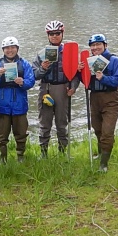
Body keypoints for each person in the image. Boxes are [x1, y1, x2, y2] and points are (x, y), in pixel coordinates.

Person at [32, 20, 80, 157]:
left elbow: (76, 74)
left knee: (61, 123)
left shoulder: (70, 52)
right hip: (45, 89)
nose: (54, 36)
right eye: (51, 34)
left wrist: (74, 87)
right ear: (48, 36)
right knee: (44, 123)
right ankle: (43, 153)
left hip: (63, 89)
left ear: (62, 33)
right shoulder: (41, 54)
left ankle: (63, 153)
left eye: (57, 33)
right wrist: (43, 68)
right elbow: (34, 75)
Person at [0, 36, 35, 164]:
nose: (10, 50)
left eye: (13, 47)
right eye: (7, 48)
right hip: (2, 104)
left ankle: (20, 156)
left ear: (17, 49)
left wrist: (22, 82)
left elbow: (31, 81)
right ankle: (2, 159)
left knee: (21, 133)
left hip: (20, 104)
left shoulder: (24, 64)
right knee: (2, 134)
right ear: (3, 50)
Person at [81, 34, 118, 172]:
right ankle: (101, 153)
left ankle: (104, 164)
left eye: (98, 44)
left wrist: (103, 78)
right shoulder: (89, 62)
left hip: (111, 98)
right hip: (95, 98)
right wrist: (79, 72)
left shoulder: (115, 61)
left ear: (105, 45)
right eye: (93, 45)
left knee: (107, 131)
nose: (95, 47)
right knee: (98, 129)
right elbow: (86, 82)